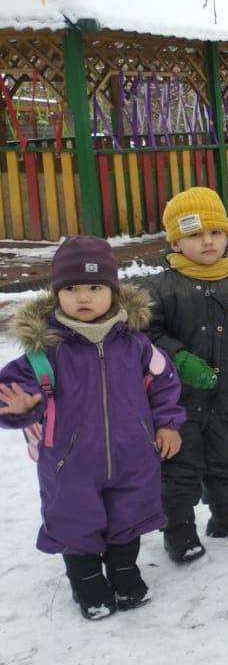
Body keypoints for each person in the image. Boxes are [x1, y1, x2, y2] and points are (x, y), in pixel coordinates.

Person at [0, 237, 184, 620]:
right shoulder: (44, 350)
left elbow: (164, 382)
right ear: (56, 293)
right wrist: (17, 408)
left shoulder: (135, 344)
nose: (83, 297)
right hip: (69, 463)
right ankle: (87, 586)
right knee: (75, 522)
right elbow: (12, 394)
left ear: (113, 292)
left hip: (133, 454)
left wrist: (166, 424)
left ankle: (124, 574)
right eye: (72, 289)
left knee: (129, 517)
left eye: (95, 288)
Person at [143, 188, 228, 563]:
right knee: (180, 465)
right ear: (175, 240)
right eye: (195, 235)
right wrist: (179, 358)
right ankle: (179, 530)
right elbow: (145, 336)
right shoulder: (159, 288)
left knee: (227, 456)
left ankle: (226, 515)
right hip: (176, 402)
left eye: (215, 233)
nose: (207, 241)